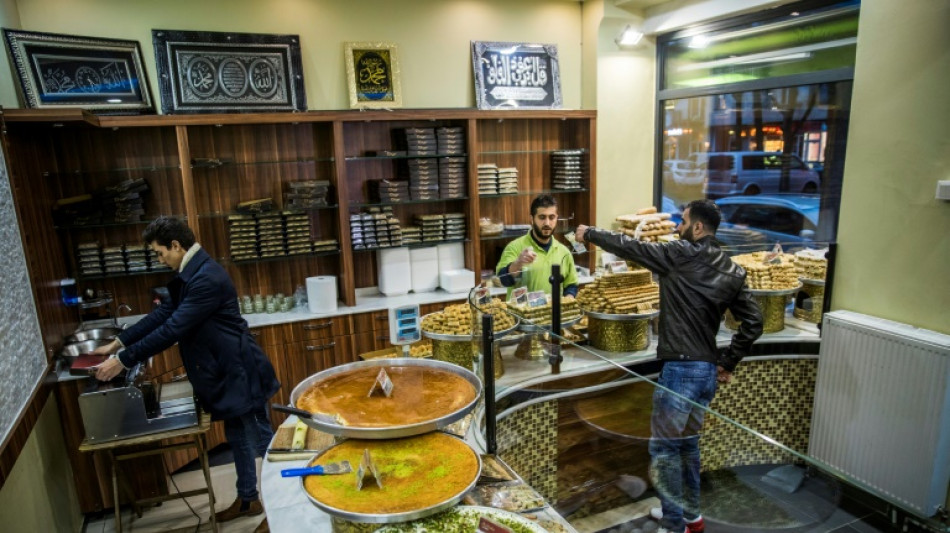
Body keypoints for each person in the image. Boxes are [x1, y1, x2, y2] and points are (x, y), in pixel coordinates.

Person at [575, 199, 763, 533]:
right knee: (688, 447)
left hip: (680, 373)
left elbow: (632, 247)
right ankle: (691, 517)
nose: (678, 227)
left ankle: (673, 524)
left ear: (698, 227)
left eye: (684, 221)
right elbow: (754, 323)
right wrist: (728, 362)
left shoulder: (680, 255)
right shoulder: (733, 270)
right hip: (706, 372)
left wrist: (589, 233)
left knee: (664, 451)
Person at [94, 216, 279, 532]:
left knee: (266, 445)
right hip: (227, 373)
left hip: (241, 372)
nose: (159, 259)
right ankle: (248, 500)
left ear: (176, 245)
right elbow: (162, 314)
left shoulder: (206, 278)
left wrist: (122, 361)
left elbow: (172, 329)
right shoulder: (191, 273)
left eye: (160, 252)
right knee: (238, 438)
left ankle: (281, 515)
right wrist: (118, 342)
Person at [496, 194, 579, 299]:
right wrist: (518, 263)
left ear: (556, 218)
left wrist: (568, 299)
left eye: (551, 217)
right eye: (542, 217)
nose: (547, 223)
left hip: (553, 309)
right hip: (523, 310)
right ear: (532, 219)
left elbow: (571, 285)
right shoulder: (514, 247)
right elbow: (503, 280)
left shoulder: (564, 252)